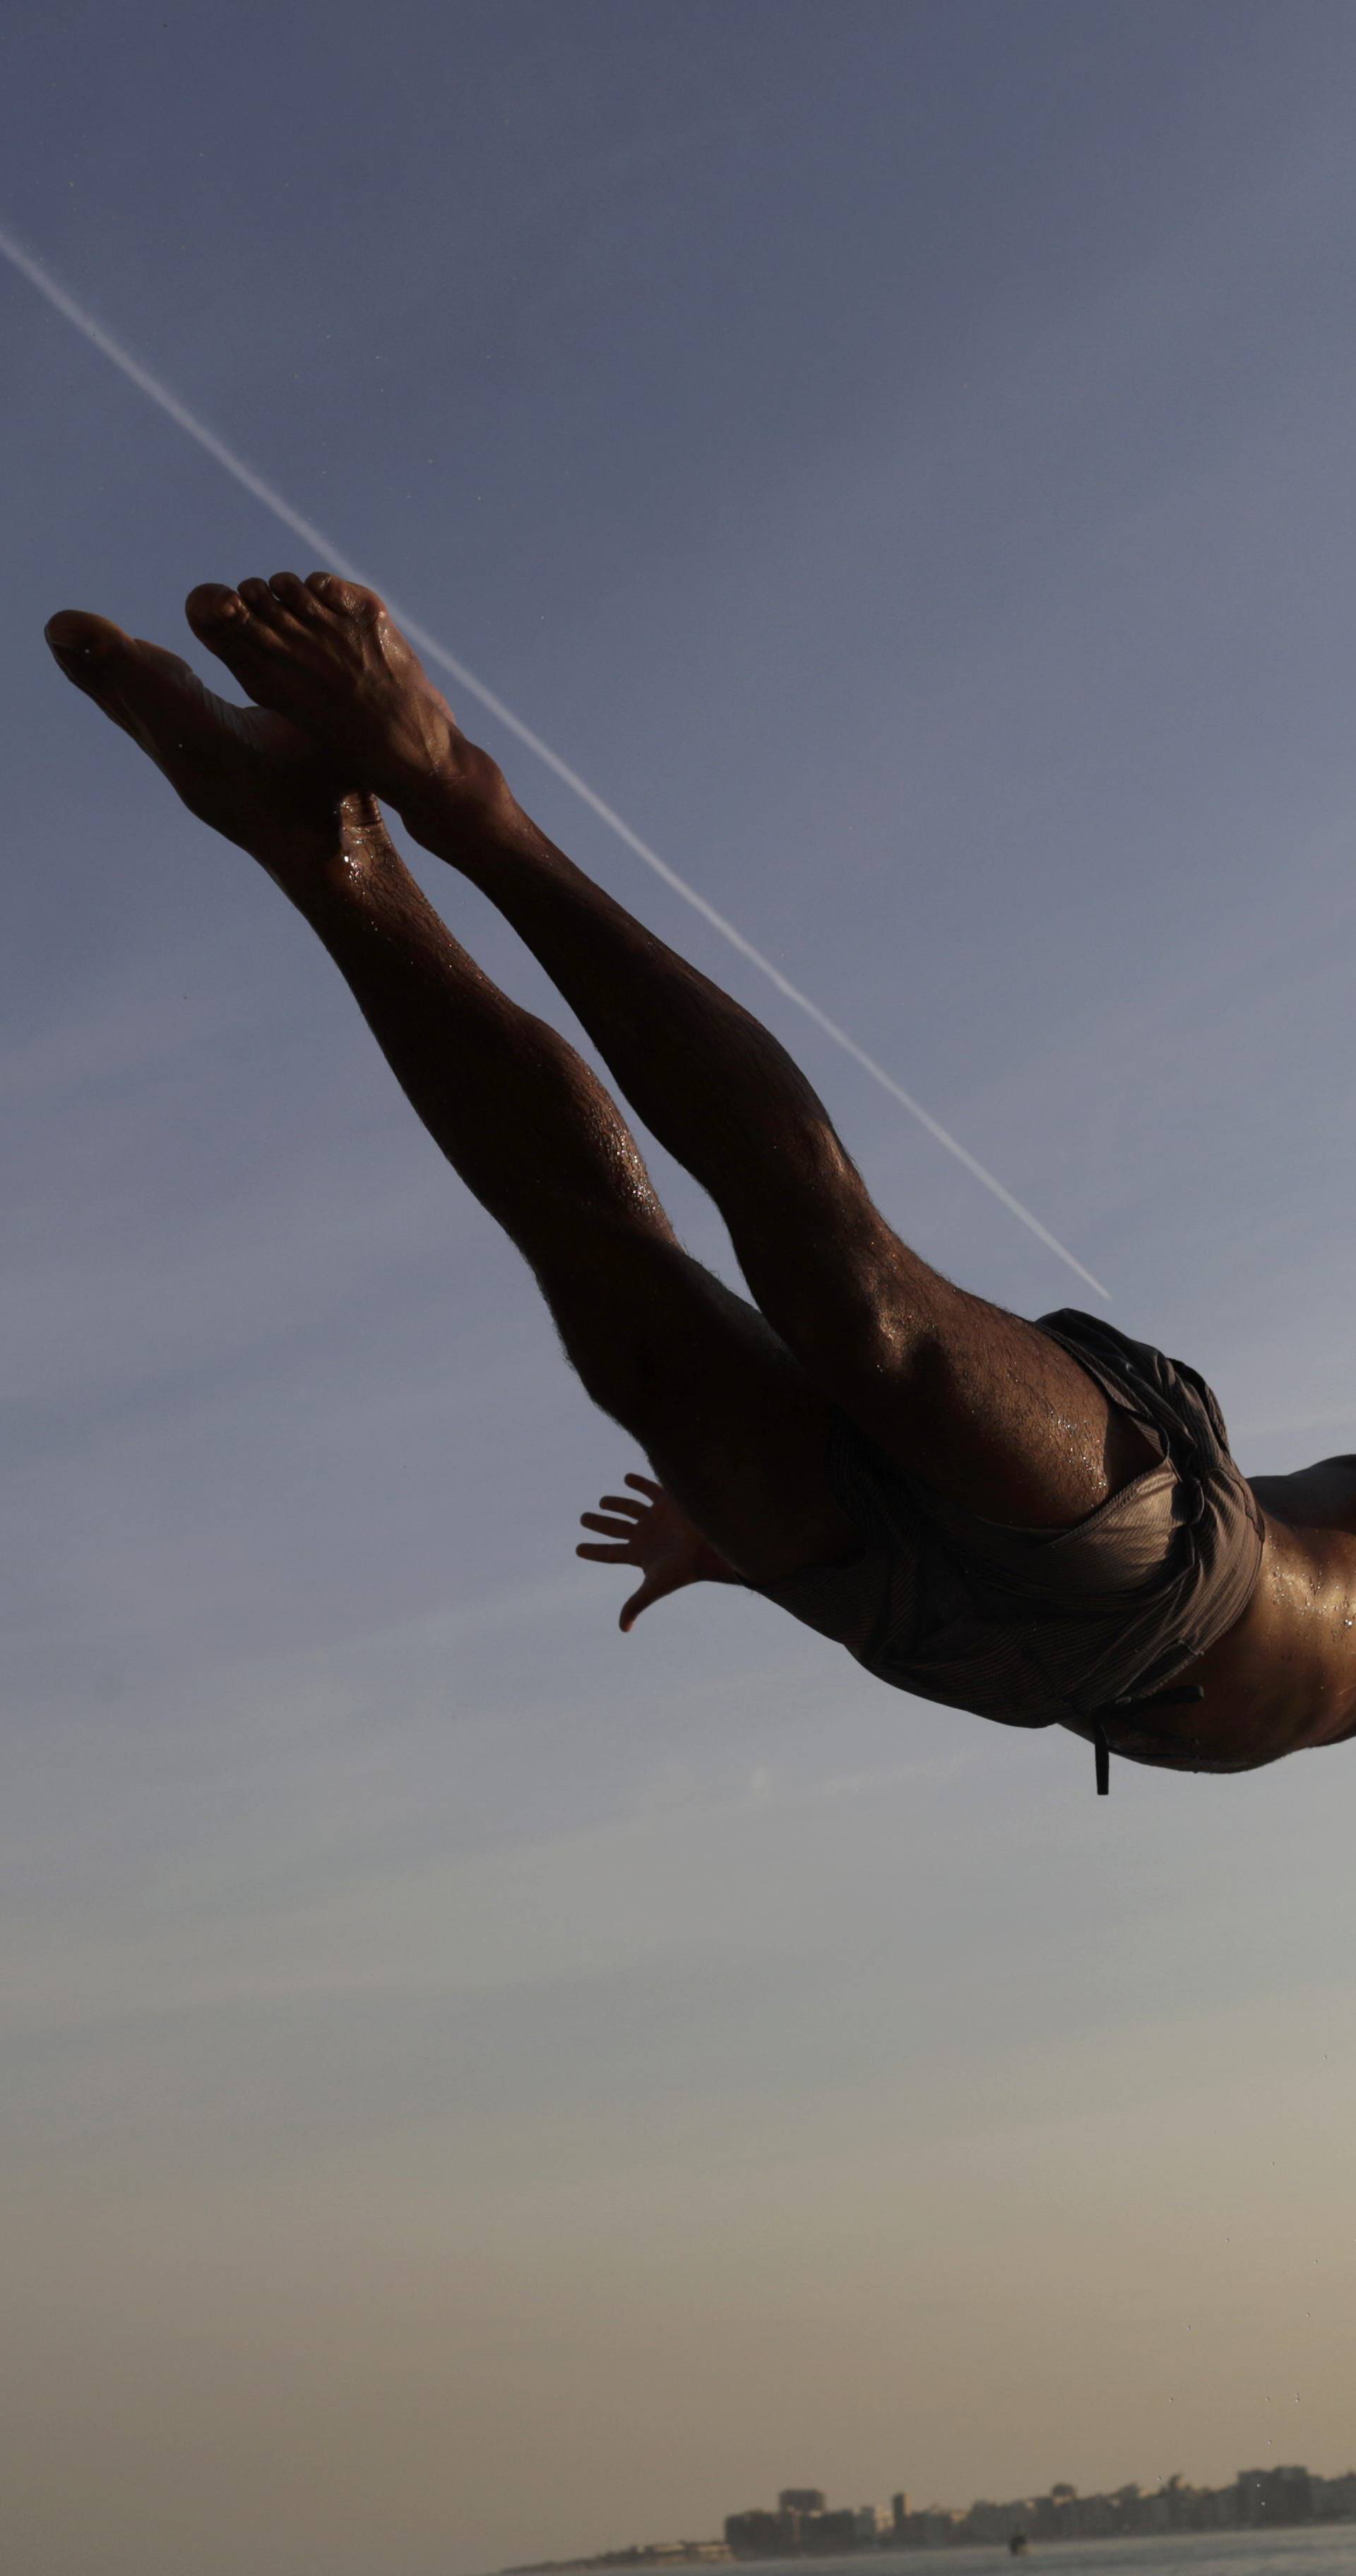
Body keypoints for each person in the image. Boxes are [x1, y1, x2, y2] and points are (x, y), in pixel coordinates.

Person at [43, 572, 1356, 1793]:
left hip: (937, 1633)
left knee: (618, 1300)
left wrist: (739, 1562)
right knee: (863, 1313)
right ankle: (461, 798)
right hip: (1173, 1562)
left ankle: (327, 852)